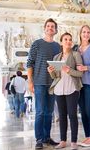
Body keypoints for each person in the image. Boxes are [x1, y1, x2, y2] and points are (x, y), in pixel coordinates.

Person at [27, 18, 60, 149]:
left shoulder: (58, 46)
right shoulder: (37, 44)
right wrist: (30, 82)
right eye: (48, 26)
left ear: (56, 30)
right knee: (40, 111)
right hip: (39, 82)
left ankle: (47, 137)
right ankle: (39, 139)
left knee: (49, 112)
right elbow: (30, 63)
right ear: (44, 28)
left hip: (53, 84)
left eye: (52, 26)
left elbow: (59, 65)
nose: (50, 28)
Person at [47, 32, 83, 149]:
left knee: (72, 115)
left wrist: (69, 70)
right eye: (66, 39)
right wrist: (51, 71)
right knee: (62, 116)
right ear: (61, 42)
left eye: (70, 39)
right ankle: (63, 141)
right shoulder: (56, 57)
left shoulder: (76, 55)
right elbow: (54, 77)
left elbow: (80, 73)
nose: (68, 41)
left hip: (72, 88)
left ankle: (73, 141)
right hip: (59, 89)